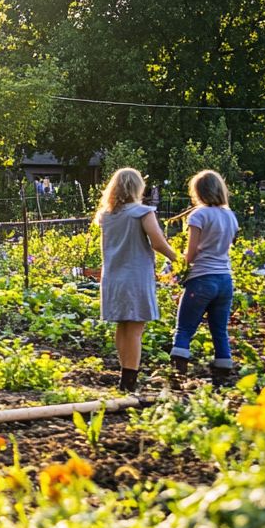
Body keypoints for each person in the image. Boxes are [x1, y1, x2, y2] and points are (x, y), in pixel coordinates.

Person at [95, 167, 177, 393]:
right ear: (137, 187)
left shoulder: (107, 216)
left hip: (113, 277)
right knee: (135, 329)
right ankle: (129, 382)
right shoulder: (142, 212)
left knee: (123, 327)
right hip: (135, 277)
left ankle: (125, 376)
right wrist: (178, 260)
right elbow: (158, 242)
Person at [169, 170, 239, 387]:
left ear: (198, 192)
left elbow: (191, 254)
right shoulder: (230, 216)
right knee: (219, 330)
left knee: (184, 329)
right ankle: (222, 377)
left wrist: (178, 264)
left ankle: (178, 376)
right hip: (225, 279)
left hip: (202, 278)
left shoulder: (198, 215)